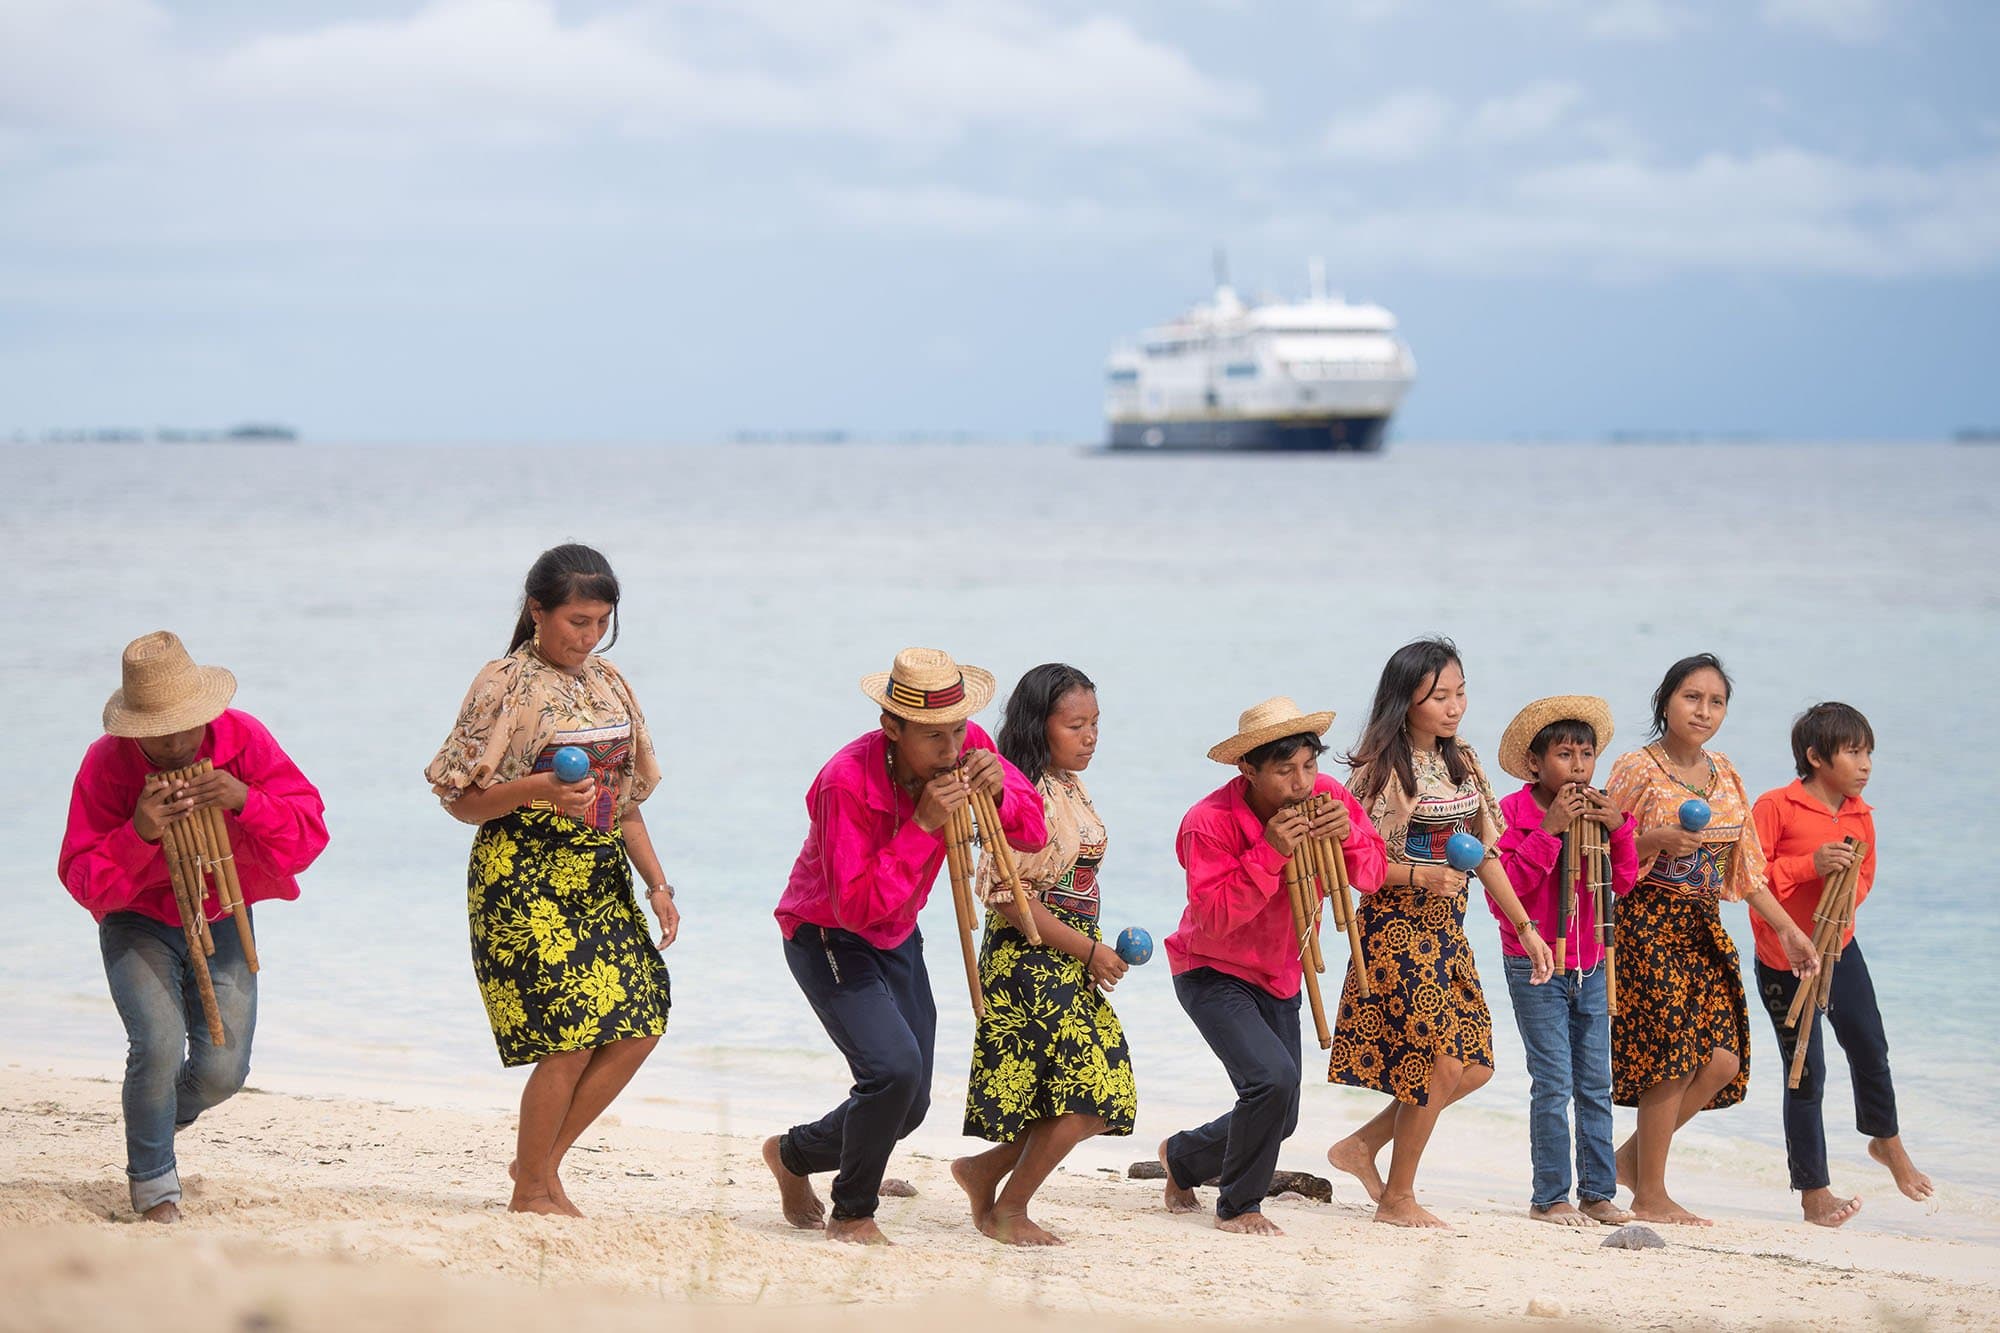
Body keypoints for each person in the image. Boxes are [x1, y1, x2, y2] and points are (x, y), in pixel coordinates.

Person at [425, 544, 680, 1217]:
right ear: (537, 610)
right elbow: (460, 801)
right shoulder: (502, 682)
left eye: (601, 622)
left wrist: (657, 883)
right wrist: (538, 787)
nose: (589, 635)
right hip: (523, 876)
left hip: (597, 878)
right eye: (576, 621)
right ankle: (532, 1188)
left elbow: (624, 802)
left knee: (641, 1019)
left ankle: (537, 1163)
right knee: (569, 1034)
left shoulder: (610, 683)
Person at [765, 647, 1045, 1245]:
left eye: (959, 732)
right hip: (827, 934)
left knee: (908, 1103)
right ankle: (853, 1214)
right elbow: (855, 905)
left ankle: (791, 1156)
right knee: (892, 1072)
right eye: (934, 738)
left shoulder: (972, 752)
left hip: (897, 934)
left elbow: (1033, 832)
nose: (952, 751)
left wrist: (1002, 795)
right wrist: (920, 826)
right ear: (891, 728)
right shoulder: (845, 781)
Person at [59, 630, 328, 1223]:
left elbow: (310, 835)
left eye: (187, 725)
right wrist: (139, 835)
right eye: (160, 732)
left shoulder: (244, 738)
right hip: (140, 919)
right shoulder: (105, 763)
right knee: (155, 1045)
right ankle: (155, 1190)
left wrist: (243, 799)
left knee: (223, 1071)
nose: (178, 743)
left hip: (223, 911)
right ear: (134, 728)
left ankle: (154, 1120)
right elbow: (81, 880)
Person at [1325, 638, 1555, 1229]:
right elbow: (1355, 865)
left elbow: (1488, 856)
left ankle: (1360, 1148)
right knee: (1439, 1062)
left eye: (1459, 693)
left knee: (1474, 1065)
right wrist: (1418, 874)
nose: (1454, 707)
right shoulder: (1382, 772)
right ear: (1406, 702)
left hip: (1448, 929)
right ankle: (1398, 1198)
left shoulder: (1465, 763)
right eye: (1438, 697)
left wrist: (1526, 928)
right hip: (1394, 928)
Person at [1160, 697, 1386, 1237]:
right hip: (1211, 970)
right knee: (1272, 1081)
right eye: (1285, 771)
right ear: (1249, 770)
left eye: (1310, 765)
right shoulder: (1207, 822)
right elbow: (1213, 921)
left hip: (1281, 972)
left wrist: (1351, 835)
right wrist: (1268, 851)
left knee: (1281, 1116)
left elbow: (1372, 877)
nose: (1302, 783)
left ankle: (1183, 1158)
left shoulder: (1328, 796)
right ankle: (1239, 1206)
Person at [1606, 652, 1818, 1226]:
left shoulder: (1725, 772)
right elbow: (1602, 853)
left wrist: (1789, 929)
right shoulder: (1636, 767)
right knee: (1672, 1057)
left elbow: (1746, 869)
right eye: (1691, 698)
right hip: (1644, 924)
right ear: (1666, 702)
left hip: (1701, 926)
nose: (1703, 711)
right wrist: (1655, 840)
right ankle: (1650, 1191)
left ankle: (1629, 1162)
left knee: (1722, 1060)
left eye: (1716, 701)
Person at [952, 663, 1138, 1246]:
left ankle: (984, 1174)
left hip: (1066, 958)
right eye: (1075, 725)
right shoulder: (1019, 792)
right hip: (1027, 959)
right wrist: (1089, 949)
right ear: (1039, 727)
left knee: (1090, 1095)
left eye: (1096, 724)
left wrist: (1089, 951)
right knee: (1091, 1092)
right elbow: (1007, 897)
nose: (1090, 737)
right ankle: (1008, 1208)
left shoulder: (1067, 782)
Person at [1750, 701, 1932, 1227]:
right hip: (1783, 958)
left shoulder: (1861, 814)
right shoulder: (1775, 806)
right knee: (1806, 1072)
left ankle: (1886, 1142)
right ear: (1815, 756)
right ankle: (1813, 1193)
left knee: (1870, 1046)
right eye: (1854, 752)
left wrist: (1842, 904)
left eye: (1869, 752)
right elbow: (1750, 879)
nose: (1866, 763)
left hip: (1838, 949)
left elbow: (1865, 877)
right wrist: (1811, 865)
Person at [1491, 695, 1638, 1227]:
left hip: (1593, 962)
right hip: (1535, 965)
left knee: (1596, 1082)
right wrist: (1549, 830)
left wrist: (1620, 829)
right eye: (1563, 754)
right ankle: (1549, 1196)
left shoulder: (1600, 809)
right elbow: (1506, 892)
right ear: (1535, 763)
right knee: (1552, 1081)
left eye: (1586, 754)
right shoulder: (1510, 814)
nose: (1577, 766)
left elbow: (1623, 883)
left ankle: (1598, 1192)